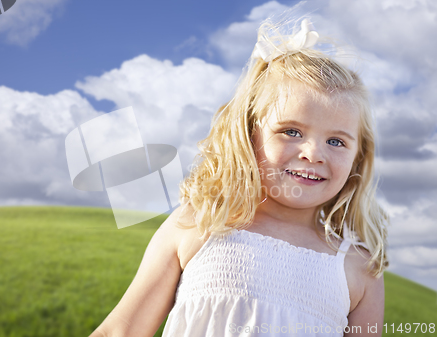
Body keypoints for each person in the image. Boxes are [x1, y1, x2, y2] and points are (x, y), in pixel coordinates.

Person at [89, 17, 389, 337]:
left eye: (336, 141)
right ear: (249, 134)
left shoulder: (359, 268)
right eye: (291, 131)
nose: (313, 153)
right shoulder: (201, 222)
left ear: (359, 154)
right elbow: (121, 330)